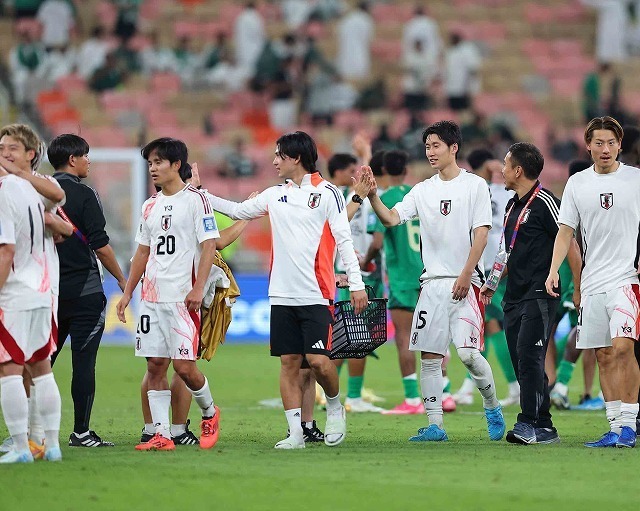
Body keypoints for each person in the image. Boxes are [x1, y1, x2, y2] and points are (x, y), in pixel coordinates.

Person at [207, 131, 368, 449]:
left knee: (320, 362)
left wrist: (357, 283)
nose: (274, 160)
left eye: (279, 155)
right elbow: (238, 211)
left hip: (316, 293)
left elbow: (343, 238)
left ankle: (334, 406)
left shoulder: (328, 193)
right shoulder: (274, 194)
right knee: (289, 363)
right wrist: (198, 193)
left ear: (296, 158)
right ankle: (296, 433)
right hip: (281, 294)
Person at [361, 120, 506, 442]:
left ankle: (492, 406)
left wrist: (468, 274)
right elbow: (392, 218)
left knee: (468, 354)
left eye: (436, 145)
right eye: (427, 146)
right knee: (429, 357)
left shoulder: (474, 186)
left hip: (465, 281)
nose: (430, 152)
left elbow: (481, 234)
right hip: (432, 284)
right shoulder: (423, 190)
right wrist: (372, 196)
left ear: (454, 148)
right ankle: (435, 425)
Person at [116, 138, 221, 451]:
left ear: (177, 165)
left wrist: (199, 287)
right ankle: (161, 434)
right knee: (155, 366)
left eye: (159, 162)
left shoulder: (196, 201)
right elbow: (143, 252)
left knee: (184, 368)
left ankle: (211, 411)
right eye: (150, 163)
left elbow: (209, 246)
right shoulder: (149, 205)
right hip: (151, 298)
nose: (153, 168)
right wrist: (127, 293)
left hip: (182, 298)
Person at [138, 161, 252, 446]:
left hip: (188, 291)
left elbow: (215, 241)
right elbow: (221, 241)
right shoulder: (171, 204)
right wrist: (246, 219)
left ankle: (160, 428)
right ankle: (167, 430)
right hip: (166, 291)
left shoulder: (194, 203)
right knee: (162, 365)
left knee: (174, 366)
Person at [546, 116, 640, 448]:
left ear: (620, 145)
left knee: (623, 348)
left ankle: (629, 424)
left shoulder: (636, 180)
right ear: (588, 145)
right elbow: (565, 232)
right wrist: (554, 269)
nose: (605, 149)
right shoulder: (577, 184)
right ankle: (614, 427)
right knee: (602, 354)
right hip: (592, 282)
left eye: (611, 143)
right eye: (598, 143)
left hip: (626, 280)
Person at [480, 143, 580, 445]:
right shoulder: (512, 205)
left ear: (519, 170)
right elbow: (505, 252)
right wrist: (493, 281)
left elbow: (570, 243)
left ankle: (526, 422)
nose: (503, 169)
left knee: (530, 355)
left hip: (541, 292)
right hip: (514, 294)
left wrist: (579, 285)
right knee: (521, 358)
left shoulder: (547, 202)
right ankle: (545, 425)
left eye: (507, 164)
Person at [49, 134, 127, 448]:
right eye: (85, 156)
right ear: (73, 159)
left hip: (48, 292)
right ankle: (81, 432)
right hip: (84, 293)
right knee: (83, 363)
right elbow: (102, 247)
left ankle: (25, 433)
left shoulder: (37, 192)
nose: (88, 161)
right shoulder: (84, 193)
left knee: (39, 364)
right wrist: (123, 279)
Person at [0, 124, 71, 458]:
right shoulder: (31, 190)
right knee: (41, 367)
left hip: (17, 289)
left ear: (31, 154)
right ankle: (50, 444)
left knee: (10, 368)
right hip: (41, 290)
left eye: (12, 148)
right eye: (2, 149)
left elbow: (6, 251)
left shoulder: (13, 188)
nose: (5, 154)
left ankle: (22, 444)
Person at [454, 149, 520, 407]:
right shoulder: (505, 193)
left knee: (489, 326)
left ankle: (511, 386)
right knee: (488, 328)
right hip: (496, 267)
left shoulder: (470, 193)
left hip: (490, 271)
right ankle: (474, 386)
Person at [368, 150, 425, 415]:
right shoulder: (419, 195)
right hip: (427, 275)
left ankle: (412, 400)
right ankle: (445, 393)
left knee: (404, 338)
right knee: (433, 336)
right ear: (405, 170)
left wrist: (364, 261)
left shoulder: (386, 199)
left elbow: (377, 242)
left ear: (384, 170)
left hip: (401, 278)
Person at [329, 152, 384, 413]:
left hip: (356, 276)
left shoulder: (346, 196)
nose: (356, 175)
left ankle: (331, 393)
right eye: (350, 170)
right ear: (339, 172)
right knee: (355, 336)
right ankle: (352, 396)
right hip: (347, 277)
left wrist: (365, 153)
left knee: (343, 337)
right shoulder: (337, 197)